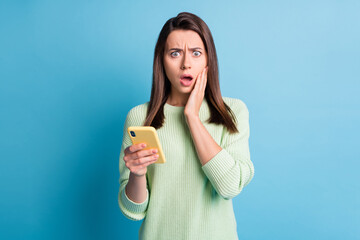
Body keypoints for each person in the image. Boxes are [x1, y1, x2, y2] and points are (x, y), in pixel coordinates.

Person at [118, 12, 254, 240]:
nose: (186, 64)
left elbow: (229, 186)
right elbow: (134, 211)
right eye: (175, 53)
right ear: (161, 60)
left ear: (208, 60)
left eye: (196, 53)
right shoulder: (140, 116)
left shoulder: (233, 112)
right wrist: (137, 175)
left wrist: (192, 117)